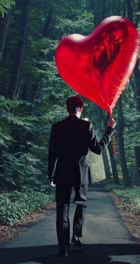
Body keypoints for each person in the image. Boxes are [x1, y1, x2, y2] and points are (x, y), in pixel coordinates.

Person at [48, 96, 116, 257]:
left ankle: (63, 248)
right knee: (82, 203)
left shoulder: (57, 127)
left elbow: (52, 154)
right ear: (81, 108)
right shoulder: (86, 126)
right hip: (80, 174)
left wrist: (51, 175)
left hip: (62, 174)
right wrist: (109, 130)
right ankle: (76, 235)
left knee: (62, 210)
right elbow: (98, 149)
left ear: (67, 108)